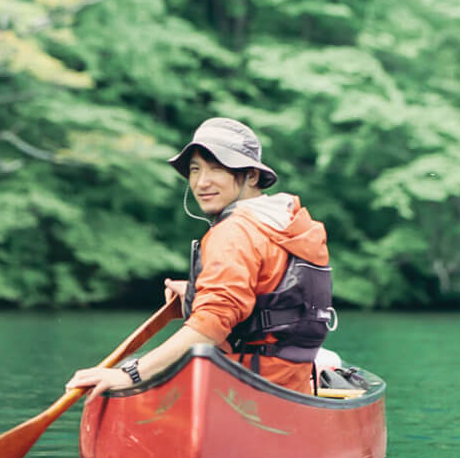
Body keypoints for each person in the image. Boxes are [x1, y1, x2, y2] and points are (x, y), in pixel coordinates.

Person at [66, 116, 334, 399]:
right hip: (291, 381)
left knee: (134, 371)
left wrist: (129, 374)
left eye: (216, 169)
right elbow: (270, 292)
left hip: (242, 385)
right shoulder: (290, 222)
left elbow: (212, 325)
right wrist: (197, 293)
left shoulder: (234, 231)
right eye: (195, 170)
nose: (202, 182)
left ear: (251, 176)